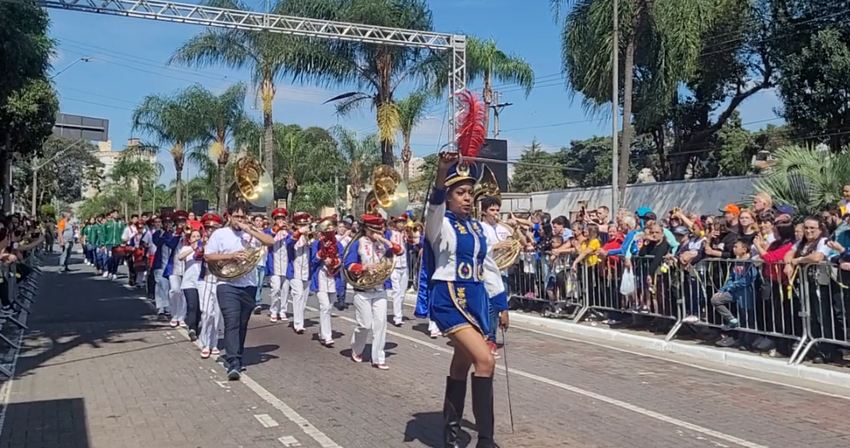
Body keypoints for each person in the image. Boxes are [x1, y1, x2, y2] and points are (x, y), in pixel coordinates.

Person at [425, 153, 508, 448]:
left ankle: (450, 433)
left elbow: (487, 267)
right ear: (448, 197)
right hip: (448, 298)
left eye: (470, 192)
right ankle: (486, 441)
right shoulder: (440, 224)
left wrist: (501, 303)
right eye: (460, 193)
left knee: (460, 365)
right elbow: (433, 205)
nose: (466, 198)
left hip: (474, 301)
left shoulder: (476, 228)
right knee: (484, 360)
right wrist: (441, 170)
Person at [204, 201, 275, 380]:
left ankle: (238, 354)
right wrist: (231, 256)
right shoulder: (220, 234)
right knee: (232, 321)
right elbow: (208, 255)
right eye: (236, 216)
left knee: (242, 324)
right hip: (226, 284)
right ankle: (233, 361)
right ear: (229, 216)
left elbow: (270, 241)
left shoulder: (250, 234)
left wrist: (249, 229)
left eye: (242, 217)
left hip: (248, 284)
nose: (239, 220)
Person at [343, 214, 403, 370]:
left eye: (380, 230)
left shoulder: (383, 244)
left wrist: (384, 240)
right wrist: (364, 268)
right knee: (364, 324)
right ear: (366, 229)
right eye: (374, 230)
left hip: (380, 289)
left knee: (381, 324)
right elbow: (348, 265)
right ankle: (356, 349)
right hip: (362, 290)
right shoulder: (358, 244)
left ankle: (378, 358)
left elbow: (400, 251)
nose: (377, 233)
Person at [310, 215, 344, 347]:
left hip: (333, 278)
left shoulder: (338, 244)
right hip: (320, 278)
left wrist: (335, 262)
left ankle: (321, 332)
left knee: (329, 308)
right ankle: (327, 336)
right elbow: (312, 261)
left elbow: (342, 258)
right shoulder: (316, 243)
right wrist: (321, 255)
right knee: (324, 306)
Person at [286, 212, 312, 334]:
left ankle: (300, 319)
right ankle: (298, 324)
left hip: (307, 272)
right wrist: (298, 233)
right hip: (294, 271)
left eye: (305, 224)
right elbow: (288, 245)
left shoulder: (311, 236)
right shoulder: (291, 235)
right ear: (296, 225)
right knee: (298, 295)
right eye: (300, 224)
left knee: (304, 298)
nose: (303, 226)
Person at [267, 208, 290, 323]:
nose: (281, 221)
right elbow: (268, 239)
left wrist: (289, 230)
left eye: (282, 219)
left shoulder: (288, 233)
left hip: (286, 266)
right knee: (275, 289)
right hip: (274, 266)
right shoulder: (269, 231)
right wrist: (277, 229)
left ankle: (283, 311)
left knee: (285, 290)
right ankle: (273, 310)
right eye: (278, 219)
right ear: (275, 220)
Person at [386, 215, 410, 327]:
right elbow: (385, 246)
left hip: (404, 265)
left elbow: (414, 243)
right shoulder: (390, 233)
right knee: (396, 291)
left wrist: (410, 236)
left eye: (403, 222)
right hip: (394, 265)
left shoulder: (406, 234)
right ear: (395, 223)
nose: (402, 224)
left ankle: (399, 313)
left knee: (402, 293)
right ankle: (397, 317)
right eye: (399, 222)